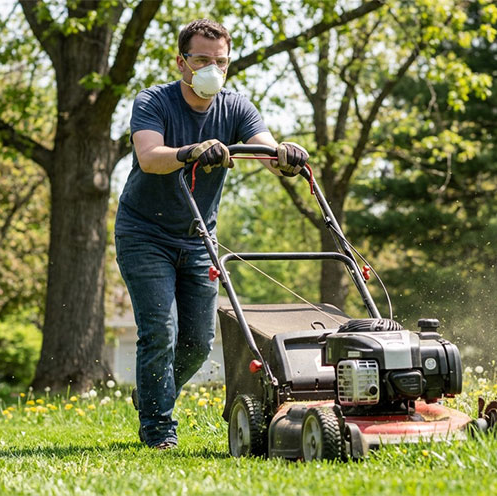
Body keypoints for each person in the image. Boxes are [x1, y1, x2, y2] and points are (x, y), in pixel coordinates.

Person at [114, 18, 308, 450]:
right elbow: (150, 157)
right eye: (201, 60)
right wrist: (192, 152)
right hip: (145, 234)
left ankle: (152, 391)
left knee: (198, 343)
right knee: (159, 330)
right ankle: (158, 429)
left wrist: (284, 156)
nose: (212, 70)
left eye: (220, 62)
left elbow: (264, 150)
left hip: (198, 238)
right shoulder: (153, 101)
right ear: (181, 62)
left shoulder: (236, 108)